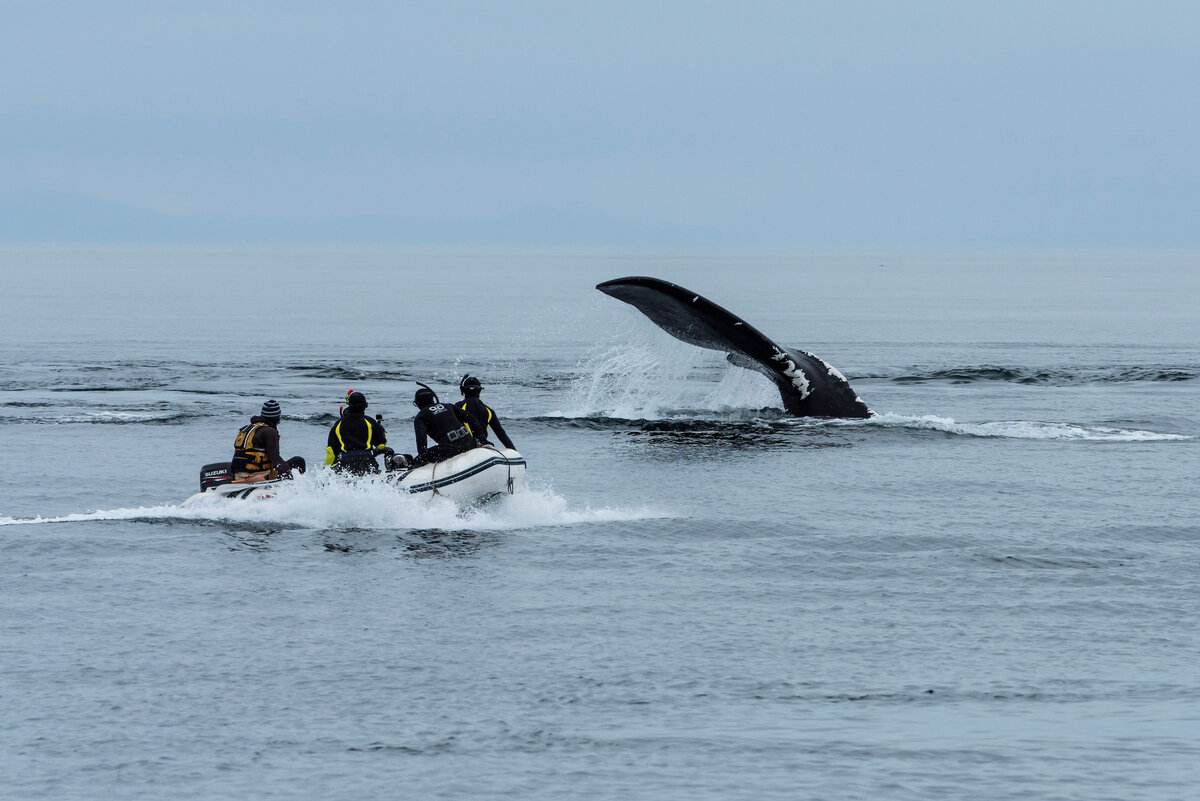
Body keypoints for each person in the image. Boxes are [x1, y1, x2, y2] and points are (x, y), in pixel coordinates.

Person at [230, 399, 306, 482]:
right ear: (277, 418)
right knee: (299, 461)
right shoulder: (269, 432)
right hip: (258, 476)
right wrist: (290, 477)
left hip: (239, 475)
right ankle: (303, 485)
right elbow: (276, 460)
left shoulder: (248, 428)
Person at [412, 384, 484, 466]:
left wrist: (423, 458)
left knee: (416, 460)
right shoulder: (448, 406)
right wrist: (482, 439)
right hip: (470, 443)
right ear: (433, 399)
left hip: (451, 449)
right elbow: (471, 418)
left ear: (418, 403)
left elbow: (421, 443)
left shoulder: (421, 416)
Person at [326, 389, 392, 475]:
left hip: (346, 462)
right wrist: (382, 430)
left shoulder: (338, 424)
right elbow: (381, 444)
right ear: (365, 405)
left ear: (349, 405)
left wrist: (326, 470)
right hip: (367, 461)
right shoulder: (370, 421)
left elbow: (331, 451)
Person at [455, 374, 516, 450]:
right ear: (479, 391)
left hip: (464, 448)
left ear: (463, 391)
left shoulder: (457, 407)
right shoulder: (488, 410)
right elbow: (502, 435)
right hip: (483, 447)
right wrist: (514, 451)